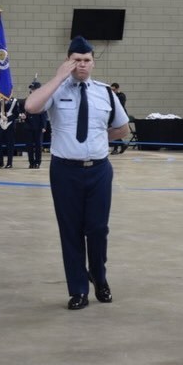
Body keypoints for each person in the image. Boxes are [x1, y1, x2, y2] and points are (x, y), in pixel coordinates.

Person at [24, 36, 129, 310]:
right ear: (68, 62)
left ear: (93, 63)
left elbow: (122, 129)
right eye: (76, 60)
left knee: (98, 229)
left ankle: (99, 276)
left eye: (86, 60)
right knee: (70, 231)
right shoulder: (56, 90)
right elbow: (31, 107)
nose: (81, 65)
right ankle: (78, 289)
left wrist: (98, 135)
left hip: (98, 170)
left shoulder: (106, 93)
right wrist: (58, 77)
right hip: (65, 171)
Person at [24, 81, 47, 169]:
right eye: (31, 89)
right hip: (29, 125)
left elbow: (44, 114)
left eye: (33, 89)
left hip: (38, 125)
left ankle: (37, 162)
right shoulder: (28, 99)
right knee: (29, 146)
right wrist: (24, 116)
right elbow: (26, 111)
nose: (32, 90)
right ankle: (31, 162)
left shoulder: (42, 99)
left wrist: (44, 126)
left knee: (38, 145)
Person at [0, 95, 19, 168]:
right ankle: (0, 162)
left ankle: (9, 163)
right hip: (0, 124)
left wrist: (8, 118)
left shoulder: (14, 101)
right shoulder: (1, 100)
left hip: (10, 124)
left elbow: (16, 114)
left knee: (10, 144)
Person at [109, 83, 127, 154]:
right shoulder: (111, 95)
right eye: (111, 90)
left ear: (117, 89)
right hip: (113, 115)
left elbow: (120, 106)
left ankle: (116, 148)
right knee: (113, 131)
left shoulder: (121, 96)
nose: (112, 91)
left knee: (116, 131)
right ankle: (122, 145)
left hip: (120, 116)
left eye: (114, 89)